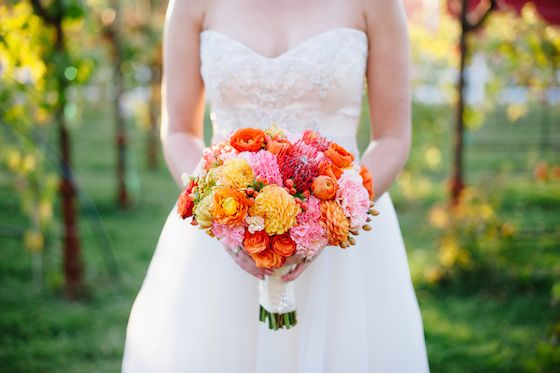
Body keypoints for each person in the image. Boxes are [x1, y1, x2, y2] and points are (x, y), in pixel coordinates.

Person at [122, 0, 431, 371]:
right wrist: (224, 213)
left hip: (344, 249)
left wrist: (330, 219)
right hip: (224, 238)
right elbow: (178, 132)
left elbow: (393, 137)